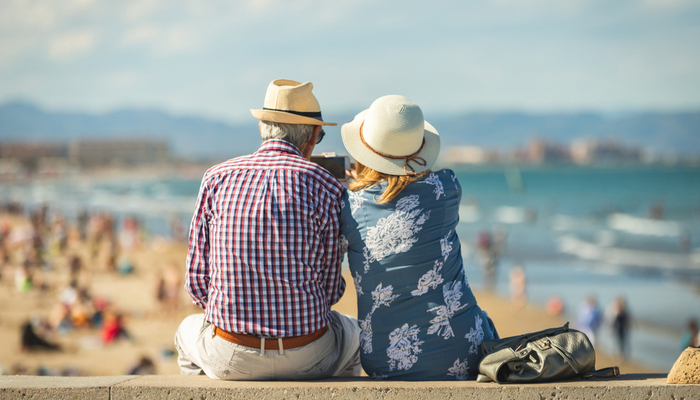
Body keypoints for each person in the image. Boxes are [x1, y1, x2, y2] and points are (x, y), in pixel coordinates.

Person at [175, 79, 361, 380]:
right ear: (313, 136)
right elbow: (330, 291)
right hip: (308, 354)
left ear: (263, 127)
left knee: (186, 331)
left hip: (231, 355)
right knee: (353, 334)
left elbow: (197, 286)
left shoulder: (216, 178)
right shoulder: (326, 186)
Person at [339, 95, 497, 380]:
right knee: (483, 320)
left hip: (385, 359)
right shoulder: (447, 188)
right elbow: (407, 190)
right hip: (462, 350)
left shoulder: (349, 206)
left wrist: (355, 184)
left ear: (365, 151)